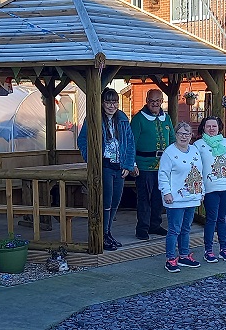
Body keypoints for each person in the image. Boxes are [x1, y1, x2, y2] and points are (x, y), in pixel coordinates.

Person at [77, 87, 136, 251]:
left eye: (114, 102)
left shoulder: (122, 119)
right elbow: (82, 140)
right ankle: (101, 235)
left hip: (120, 167)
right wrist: (92, 160)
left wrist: (128, 165)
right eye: (108, 102)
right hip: (105, 166)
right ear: (102, 103)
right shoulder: (94, 119)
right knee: (106, 201)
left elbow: (130, 143)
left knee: (116, 201)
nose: (112, 105)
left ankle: (108, 232)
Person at [193, 116, 226, 263]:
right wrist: (199, 189)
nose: (211, 129)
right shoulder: (198, 145)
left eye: (214, 126)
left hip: (225, 186)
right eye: (208, 126)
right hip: (209, 188)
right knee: (211, 219)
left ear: (219, 127)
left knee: (222, 218)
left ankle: (224, 249)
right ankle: (208, 250)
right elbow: (196, 169)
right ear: (203, 128)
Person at [158, 122, 204, 272]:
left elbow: (199, 173)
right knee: (174, 230)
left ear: (191, 136)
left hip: (191, 196)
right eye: (181, 133)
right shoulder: (169, 153)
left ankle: (184, 255)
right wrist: (166, 192)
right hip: (175, 198)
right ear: (175, 135)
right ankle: (170, 258)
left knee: (186, 228)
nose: (184, 137)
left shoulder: (194, 151)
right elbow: (163, 174)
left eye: (187, 134)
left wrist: (200, 192)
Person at [131, 89, 175, 240]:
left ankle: (155, 225)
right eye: (152, 101)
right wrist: (133, 164)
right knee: (144, 198)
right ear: (147, 101)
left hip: (163, 166)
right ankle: (142, 228)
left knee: (158, 197)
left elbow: (173, 140)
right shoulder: (138, 119)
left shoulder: (166, 118)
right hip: (144, 165)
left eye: (158, 101)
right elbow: (132, 144)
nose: (155, 104)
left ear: (162, 101)